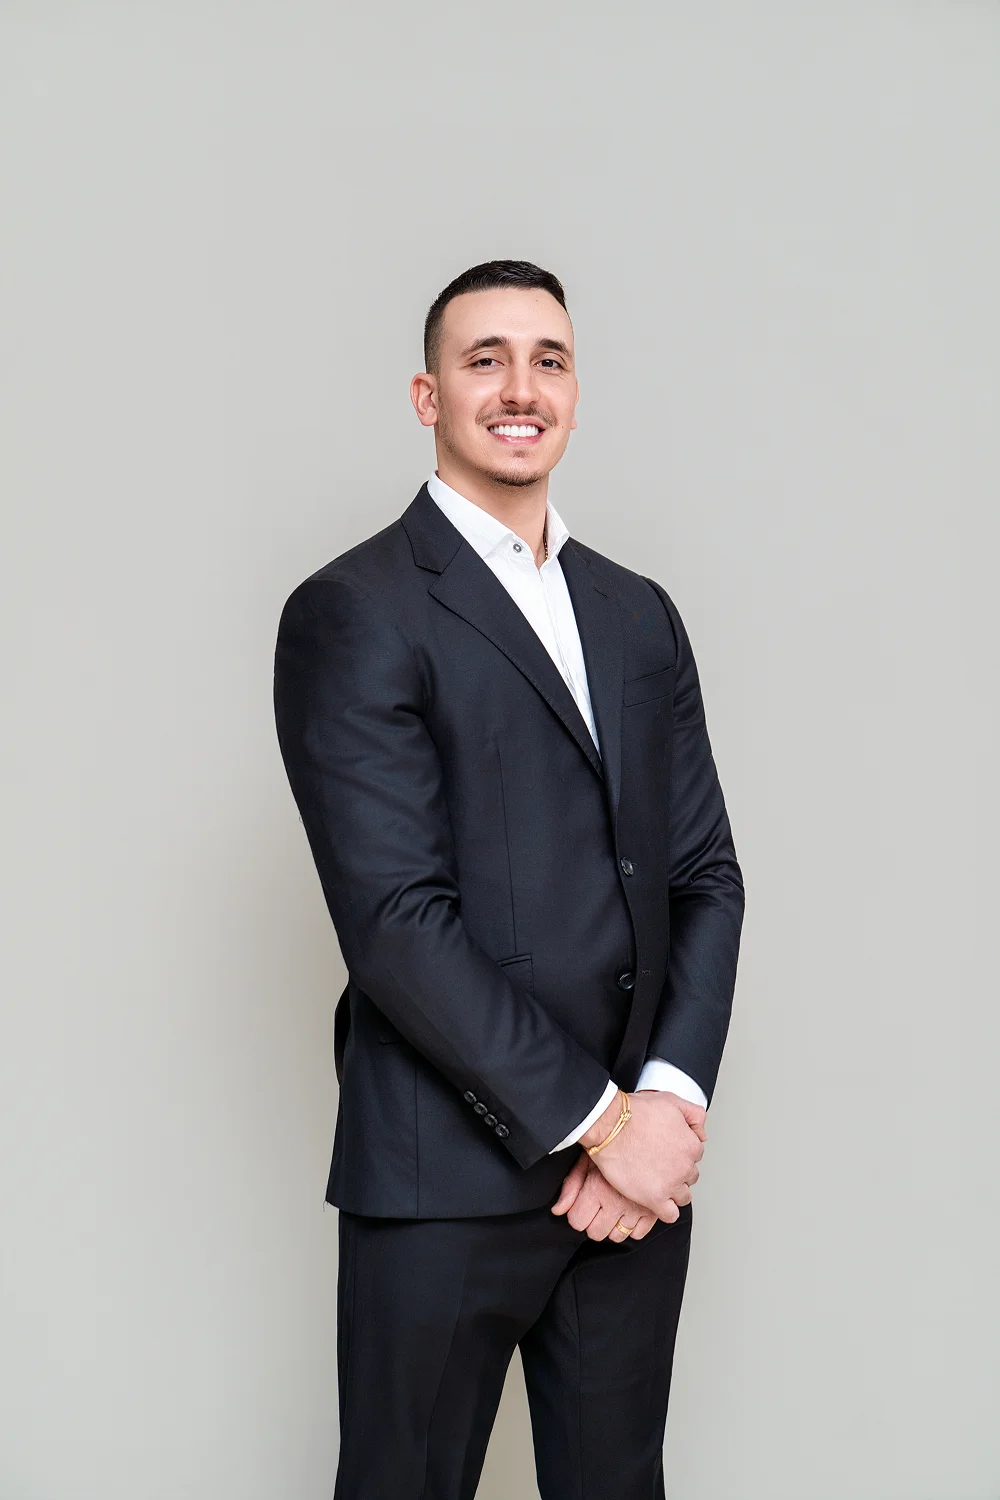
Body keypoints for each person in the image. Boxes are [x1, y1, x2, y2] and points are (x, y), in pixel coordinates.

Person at [273, 260, 744, 1499]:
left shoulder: (637, 614)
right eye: (484, 360)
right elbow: (396, 924)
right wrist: (607, 1127)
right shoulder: (353, 609)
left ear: (576, 392)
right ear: (427, 397)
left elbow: (703, 875)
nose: (520, 388)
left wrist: (665, 1103)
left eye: (549, 360)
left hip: (629, 1199)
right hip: (444, 1182)